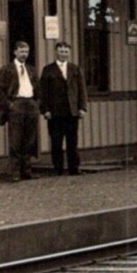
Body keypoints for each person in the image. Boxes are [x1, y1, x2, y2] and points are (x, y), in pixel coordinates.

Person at [38, 40, 88, 175]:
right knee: (56, 142)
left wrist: (82, 108)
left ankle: (74, 168)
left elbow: (81, 90)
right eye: (61, 51)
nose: (63, 54)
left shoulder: (75, 69)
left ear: (69, 53)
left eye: (66, 52)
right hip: (55, 113)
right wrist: (45, 110)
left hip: (72, 112)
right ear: (56, 52)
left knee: (72, 142)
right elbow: (43, 92)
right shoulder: (48, 70)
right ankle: (57, 168)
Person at [0, 41, 40, 180]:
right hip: (16, 104)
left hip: (31, 104)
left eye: (26, 51)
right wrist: (10, 105)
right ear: (15, 52)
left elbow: (38, 90)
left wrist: (37, 103)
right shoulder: (6, 69)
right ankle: (15, 173)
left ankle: (27, 171)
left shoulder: (32, 70)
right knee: (16, 140)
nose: (24, 54)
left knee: (30, 140)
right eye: (21, 51)